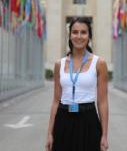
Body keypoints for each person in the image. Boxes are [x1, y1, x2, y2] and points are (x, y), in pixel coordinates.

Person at [45, 17, 109, 151]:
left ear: (89, 36)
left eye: (83, 32)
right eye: (75, 32)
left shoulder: (99, 63)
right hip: (63, 120)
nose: (79, 36)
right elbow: (56, 101)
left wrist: (104, 135)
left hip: (89, 121)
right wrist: (50, 134)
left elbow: (102, 102)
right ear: (69, 35)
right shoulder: (59, 64)